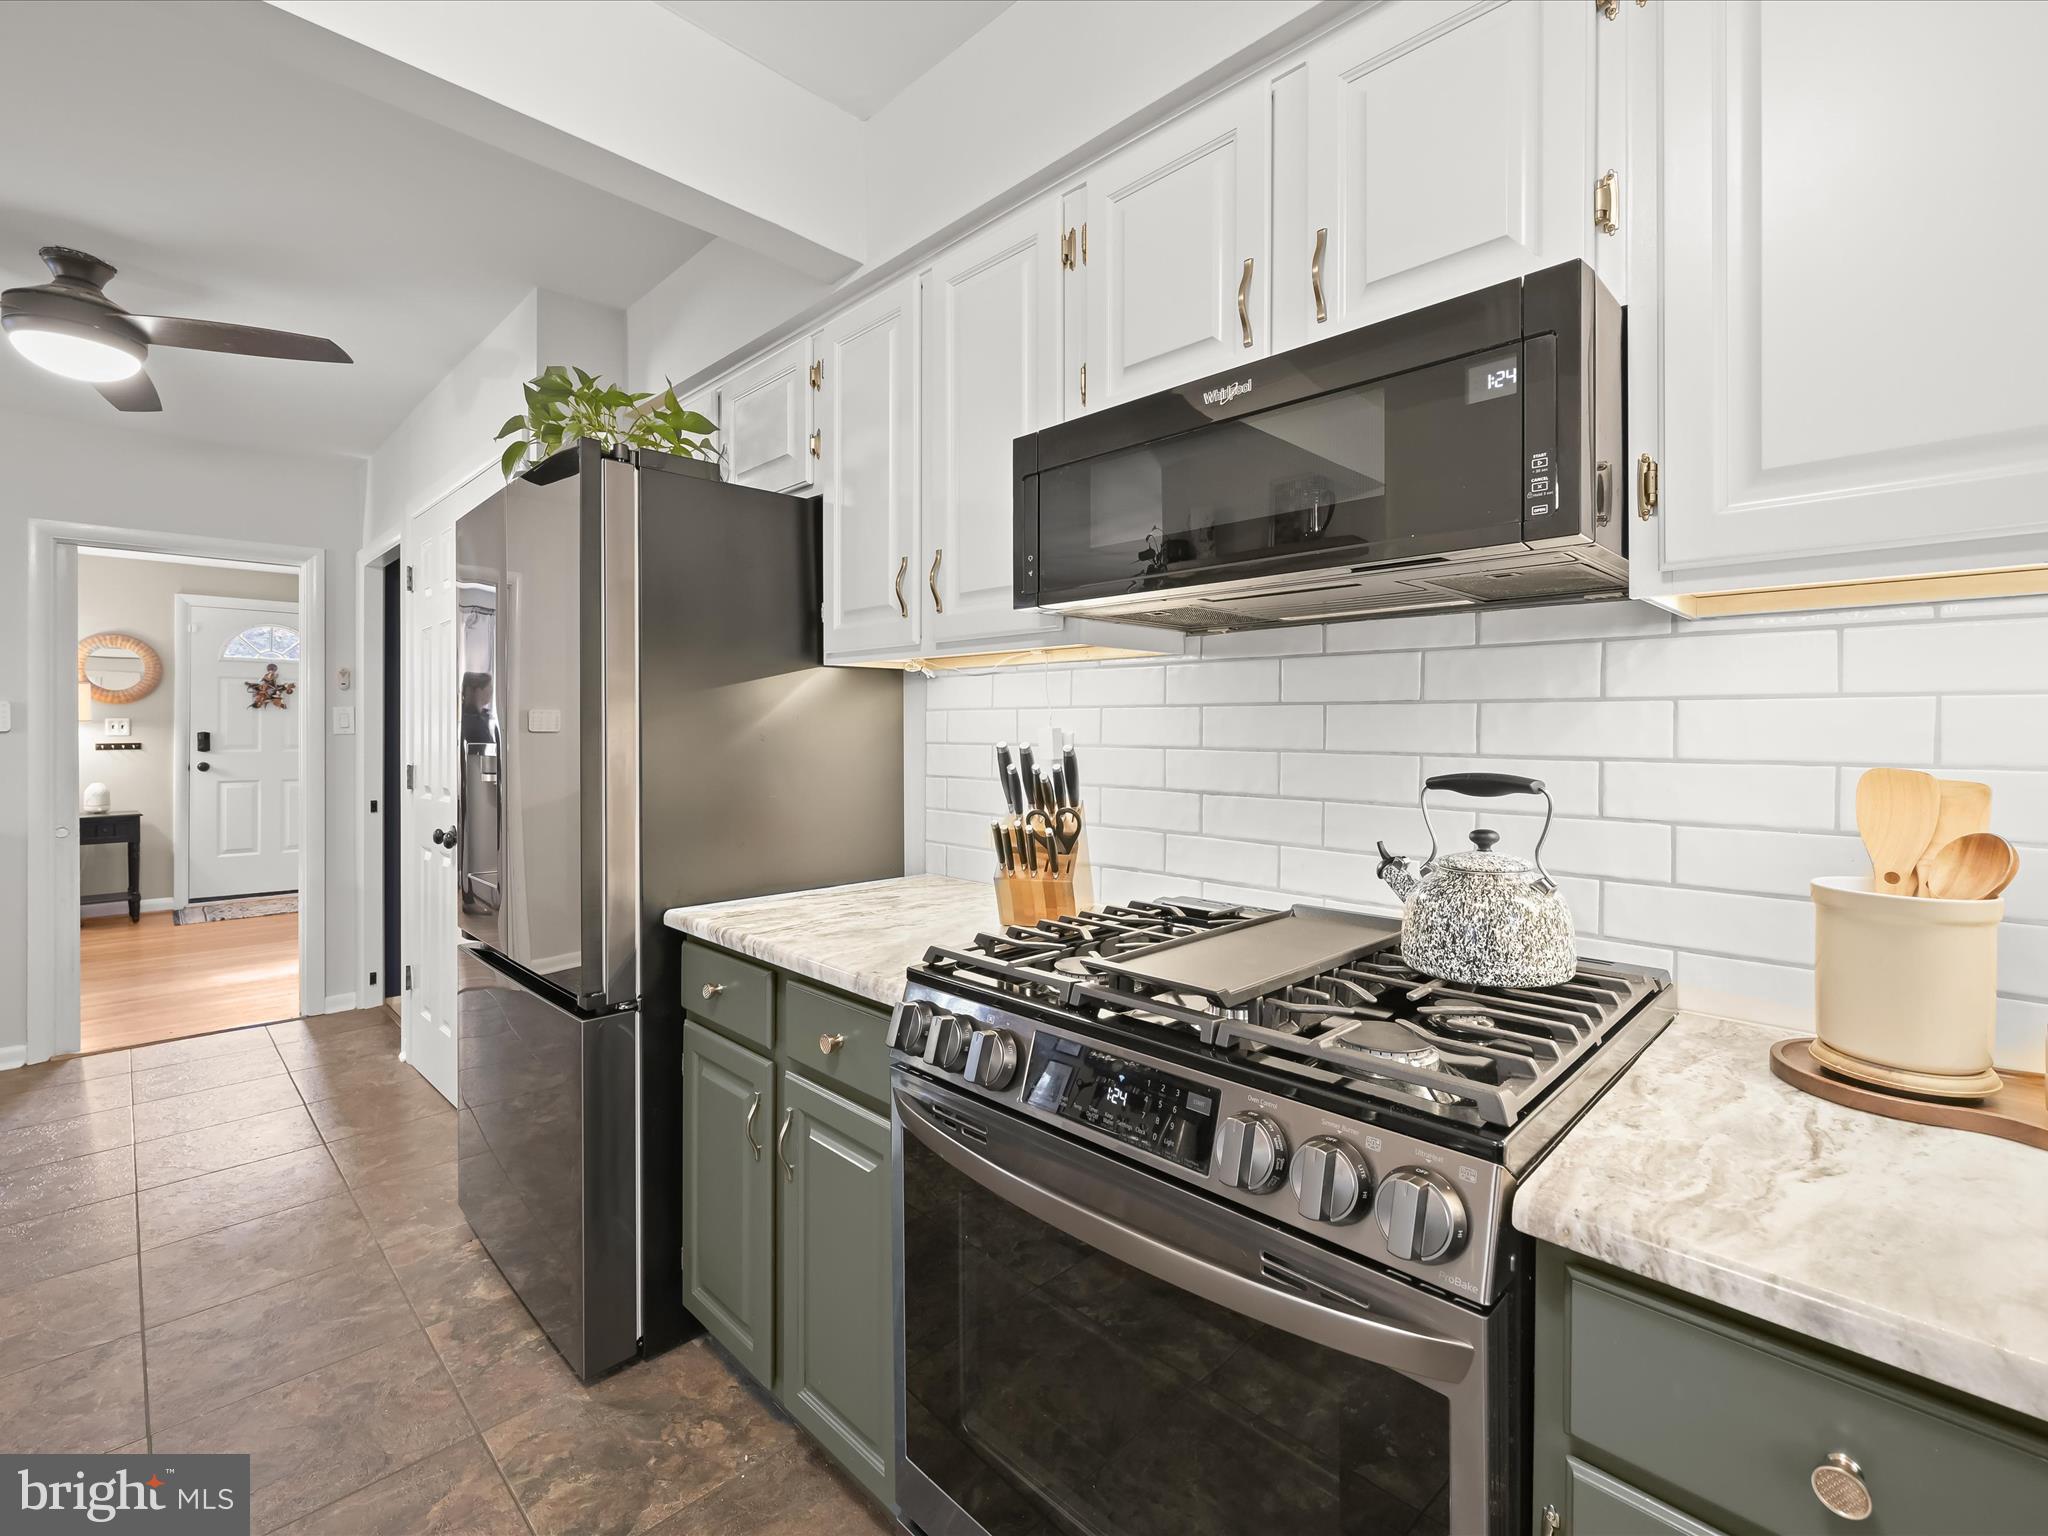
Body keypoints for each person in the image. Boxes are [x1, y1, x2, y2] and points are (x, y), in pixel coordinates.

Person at [461, 671, 496, 745]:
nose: (491, 692)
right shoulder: (474, 722)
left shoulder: (483, 717)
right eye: (489, 687)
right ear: (478, 690)